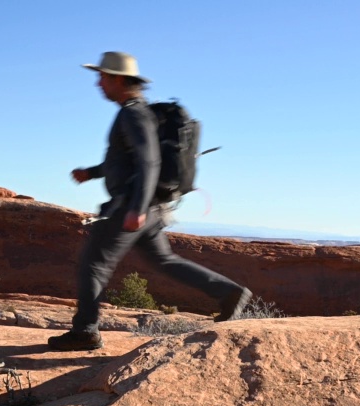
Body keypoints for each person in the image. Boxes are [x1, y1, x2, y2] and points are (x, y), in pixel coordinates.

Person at [48, 51, 251, 351]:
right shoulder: (140, 112)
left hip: (132, 205)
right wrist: (91, 173)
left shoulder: (132, 113)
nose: (98, 84)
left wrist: (137, 208)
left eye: (102, 77)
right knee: (164, 260)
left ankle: (85, 331)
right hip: (150, 206)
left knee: (94, 265)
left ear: (118, 79)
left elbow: (149, 161)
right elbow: (129, 160)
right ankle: (229, 293)